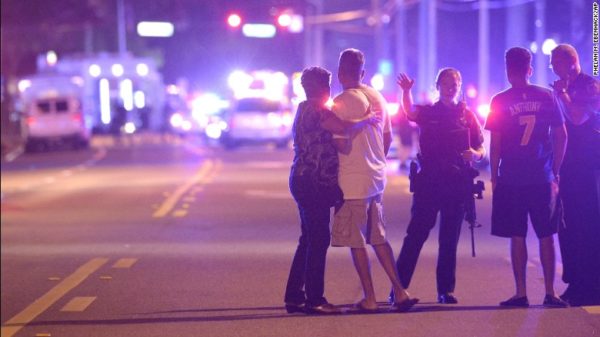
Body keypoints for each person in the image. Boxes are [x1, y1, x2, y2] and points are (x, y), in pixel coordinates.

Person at [330, 48, 418, 313]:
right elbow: (387, 138)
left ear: (339, 73)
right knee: (378, 237)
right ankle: (400, 291)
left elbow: (341, 145)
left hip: (351, 180)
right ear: (363, 72)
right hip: (376, 178)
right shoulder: (378, 97)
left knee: (356, 241)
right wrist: (374, 156)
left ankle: (369, 297)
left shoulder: (342, 101)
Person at [284, 66, 378, 315]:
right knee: (318, 239)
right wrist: (367, 120)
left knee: (307, 239)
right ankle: (315, 299)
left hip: (301, 178)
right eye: (326, 83)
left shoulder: (303, 108)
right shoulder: (318, 110)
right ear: (322, 87)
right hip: (314, 182)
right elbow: (343, 126)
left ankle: (294, 295)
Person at [393, 68, 485, 304]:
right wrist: (406, 92)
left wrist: (473, 154)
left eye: (454, 82)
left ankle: (446, 290)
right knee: (416, 235)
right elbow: (410, 112)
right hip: (430, 181)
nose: (450, 86)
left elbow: (480, 148)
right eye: (445, 82)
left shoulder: (467, 116)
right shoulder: (429, 112)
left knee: (449, 239)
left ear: (460, 85)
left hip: (456, 183)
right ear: (438, 85)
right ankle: (398, 289)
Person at [485, 47, 568, 308]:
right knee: (546, 234)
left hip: (511, 177)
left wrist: (494, 174)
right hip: (541, 176)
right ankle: (550, 292)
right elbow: (562, 135)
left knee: (517, 235)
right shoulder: (546, 96)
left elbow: (495, 142)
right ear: (530, 70)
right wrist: (554, 169)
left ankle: (521, 292)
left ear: (509, 71)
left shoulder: (499, 101)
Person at [550, 44, 600, 306]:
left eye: (555, 64)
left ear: (570, 62)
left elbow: (579, 118)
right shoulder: (562, 89)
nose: (554, 70)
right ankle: (574, 281)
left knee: (588, 226)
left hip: (588, 167)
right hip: (567, 166)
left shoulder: (589, 86)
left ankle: (592, 284)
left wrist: (564, 95)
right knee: (567, 226)